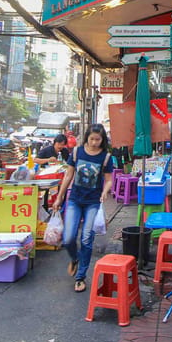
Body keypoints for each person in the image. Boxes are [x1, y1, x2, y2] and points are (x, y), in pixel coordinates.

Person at [51, 123, 114, 293]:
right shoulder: (77, 152)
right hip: (75, 200)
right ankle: (74, 258)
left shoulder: (106, 157)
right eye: (92, 139)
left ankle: (80, 277)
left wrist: (105, 192)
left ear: (103, 140)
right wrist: (59, 197)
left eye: (98, 140)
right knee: (68, 238)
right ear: (87, 137)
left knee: (87, 238)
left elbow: (109, 179)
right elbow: (68, 175)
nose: (94, 143)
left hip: (93, 202)